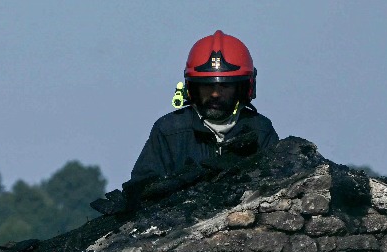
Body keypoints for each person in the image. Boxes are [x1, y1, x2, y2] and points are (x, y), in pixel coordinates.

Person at [94, 30, 278, 214]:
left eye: (225, 85)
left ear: (243, 87)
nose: (215, 93)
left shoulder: (260, 129)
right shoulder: (168, 130)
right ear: (192, 88)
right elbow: (143, 191)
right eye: (207, 85)